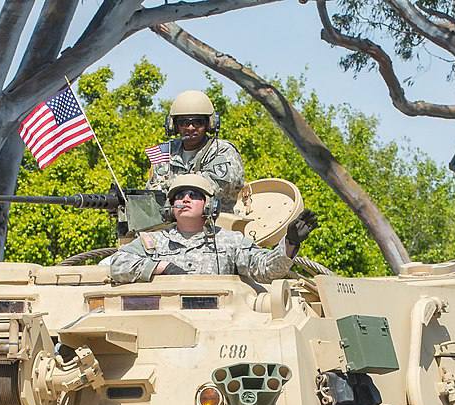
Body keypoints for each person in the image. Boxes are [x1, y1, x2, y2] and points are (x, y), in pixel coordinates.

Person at [109, 175, 318, 284]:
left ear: (209, 205)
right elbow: (118, 265)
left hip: (218, 327)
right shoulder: (152, 242)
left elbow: (266, 270)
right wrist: (162, 267)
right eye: (179, 196)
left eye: (194, 195)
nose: (185, 199)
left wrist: (290, 243)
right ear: (170, 206)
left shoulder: (231, 242)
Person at [146, 90, 245, 214]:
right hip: (170, 221)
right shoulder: (166, 152)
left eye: (198, 122)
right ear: (174, 126)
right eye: (184, 123)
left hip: (215, 221)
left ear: (210, 124)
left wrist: (170, 187)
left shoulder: (222, 150)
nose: (191, 128)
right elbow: (152, 194)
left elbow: (211, 188)